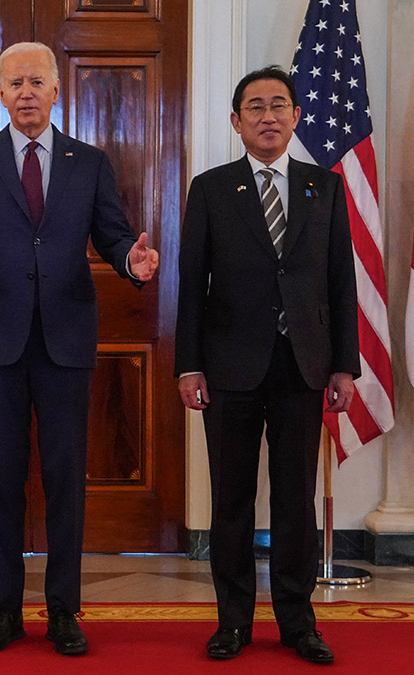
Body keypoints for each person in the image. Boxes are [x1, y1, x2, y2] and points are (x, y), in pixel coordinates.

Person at [0, 41, 159, 656]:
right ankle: (3, 609)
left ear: (58, 91)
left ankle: (62, 610)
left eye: (36, 82)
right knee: (1, 477)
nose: (26, 92)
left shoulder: (90, 161)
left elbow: (113, 234)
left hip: (66, 338)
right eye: (14, 83)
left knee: (63, 477)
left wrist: (131, 261)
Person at [175, 65, 358, 665]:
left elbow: (340, 282)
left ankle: (298, 623)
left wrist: (344, 366)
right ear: (236, 122)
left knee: (294, 501)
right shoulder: (209, 188)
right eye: (254, 106)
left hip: (304, 365)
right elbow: (191, 287)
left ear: (297, 116)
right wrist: (189, 365)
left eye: (279, 104)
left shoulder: (323, 188)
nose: (268, 115)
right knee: (230, 500)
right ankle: (232, 623)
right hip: (229, 367)